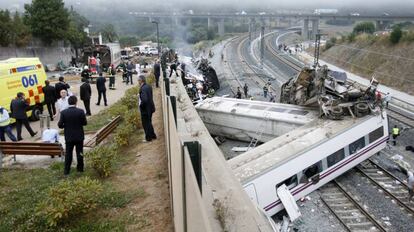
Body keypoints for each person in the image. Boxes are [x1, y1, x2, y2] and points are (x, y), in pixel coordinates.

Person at [58, 96, 87, 176]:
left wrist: (66, 126)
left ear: (68, 102)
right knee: (80, 153)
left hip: (69, 136)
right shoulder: (81, 111)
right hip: (79, 136)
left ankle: (66, 171)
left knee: (68, 154)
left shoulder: (64, 112)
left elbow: (60, 125)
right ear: (76, 102)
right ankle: (80, 169)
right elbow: (85, 123)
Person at [138, 75, 156, 142]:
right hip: (150, 108)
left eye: (138, 80)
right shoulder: (148, 86)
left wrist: (141, 105)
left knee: (146, 124)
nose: (138, 82)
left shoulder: (142, 88)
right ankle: (153, 135)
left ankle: (148, 138)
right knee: (149, 122)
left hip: (145, 109)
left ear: (141, 81)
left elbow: (144, 99)